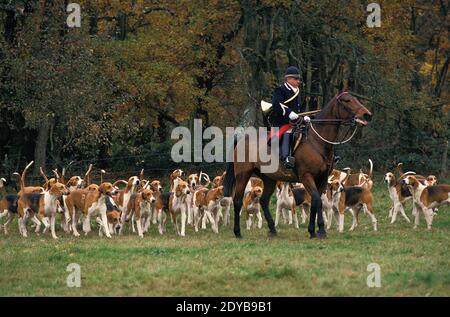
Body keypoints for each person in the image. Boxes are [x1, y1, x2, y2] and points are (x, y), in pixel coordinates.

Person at [270, 66, 310, 169]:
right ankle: (286, 158)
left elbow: (300, 108)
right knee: (288, 132)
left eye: (299, 79)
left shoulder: (297, 91)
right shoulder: (280, 89)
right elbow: (277, 104)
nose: (298, 81)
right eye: (296, 79)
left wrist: (305, 115)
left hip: (296, 121)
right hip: (282, 121)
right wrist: (289, 113)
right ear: (288, 79)